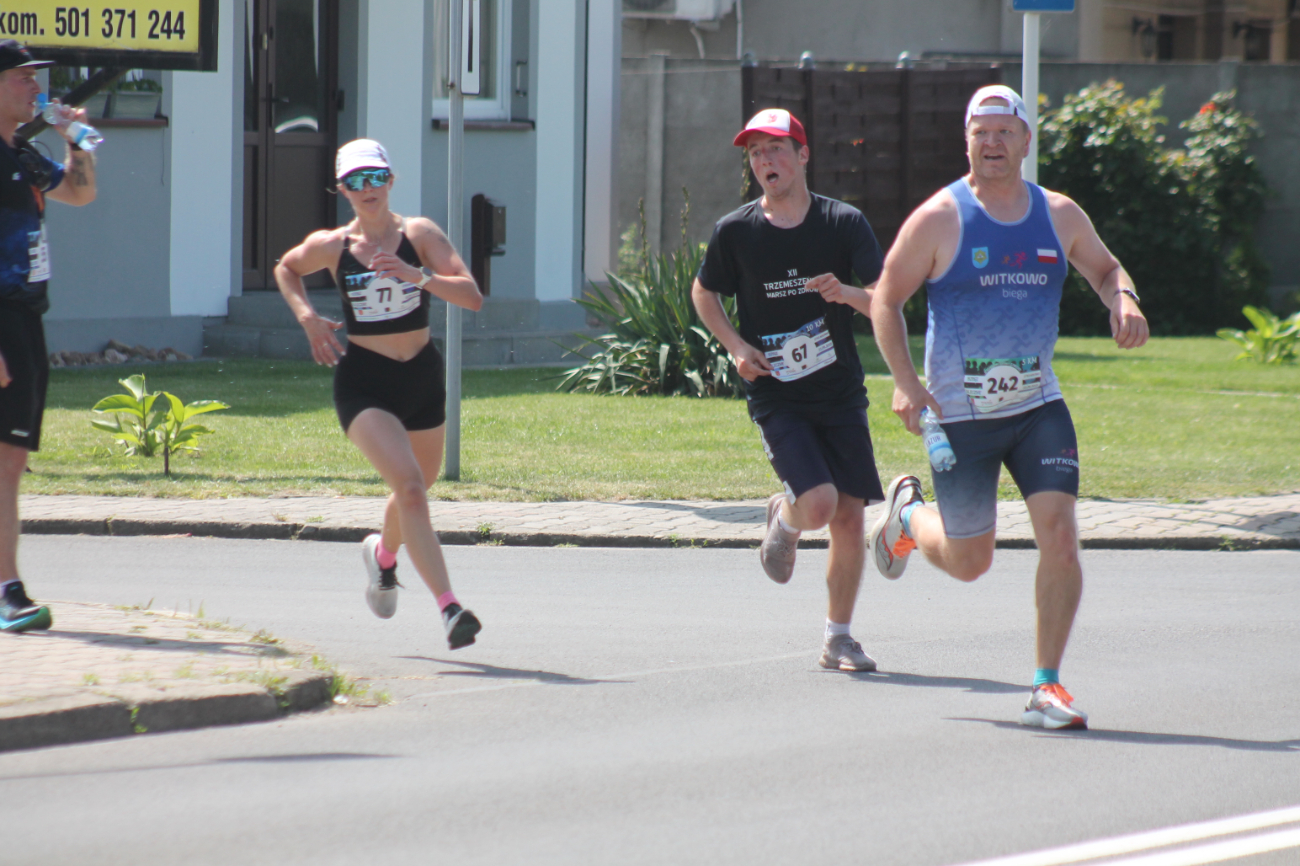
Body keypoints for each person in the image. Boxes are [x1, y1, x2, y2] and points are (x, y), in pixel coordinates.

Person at [869, 85, 1150, 728]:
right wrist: (907, 384)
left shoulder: (1058, 214)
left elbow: (1108, 271)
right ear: (966, 141)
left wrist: (1124, 301)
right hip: (962, 416)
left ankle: (1047, 686)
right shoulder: (941, 217)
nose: (991, 143)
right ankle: (910, 520)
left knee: (1060, 534)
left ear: (1025, 141)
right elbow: (886, 299)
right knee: (972, 563)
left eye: (1004, 131)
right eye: (980, 132)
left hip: (1036, 406)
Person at [692, 108, 887, 672]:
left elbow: (884, 303)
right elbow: (704, 294)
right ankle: (786, 516)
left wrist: (844, 292)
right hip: (777, 393)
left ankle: (839, 638)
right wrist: (735, 346)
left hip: (840, 392)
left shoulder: (844, 224)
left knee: (850, 518)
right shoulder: (737, 231)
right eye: (755, 153)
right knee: (821, 505)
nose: (765, 161)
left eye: (776, 149)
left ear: (803, 156)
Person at [275, 139, 483, 650]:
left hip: (421, 377)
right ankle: (450, 609)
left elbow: (472, 297)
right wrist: (307, 319)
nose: (368, 190)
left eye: (376, 178)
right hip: (364, 381)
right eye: (356, 181)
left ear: (391, 180)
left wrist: (419, 276)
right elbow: (286, 268)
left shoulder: (420, 234)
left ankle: (383, 557)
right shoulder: (333, 246)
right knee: (411, 488)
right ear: (342, 189)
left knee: (416, 488)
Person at [0, 41, 98, 633]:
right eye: (21, 78)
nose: (35, 88)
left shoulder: (24, 152)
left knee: (10, 463)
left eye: (37, 79)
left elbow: (81, 193)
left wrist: (79, 137)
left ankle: (7, 586)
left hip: (26, 320)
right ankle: (6, 590)